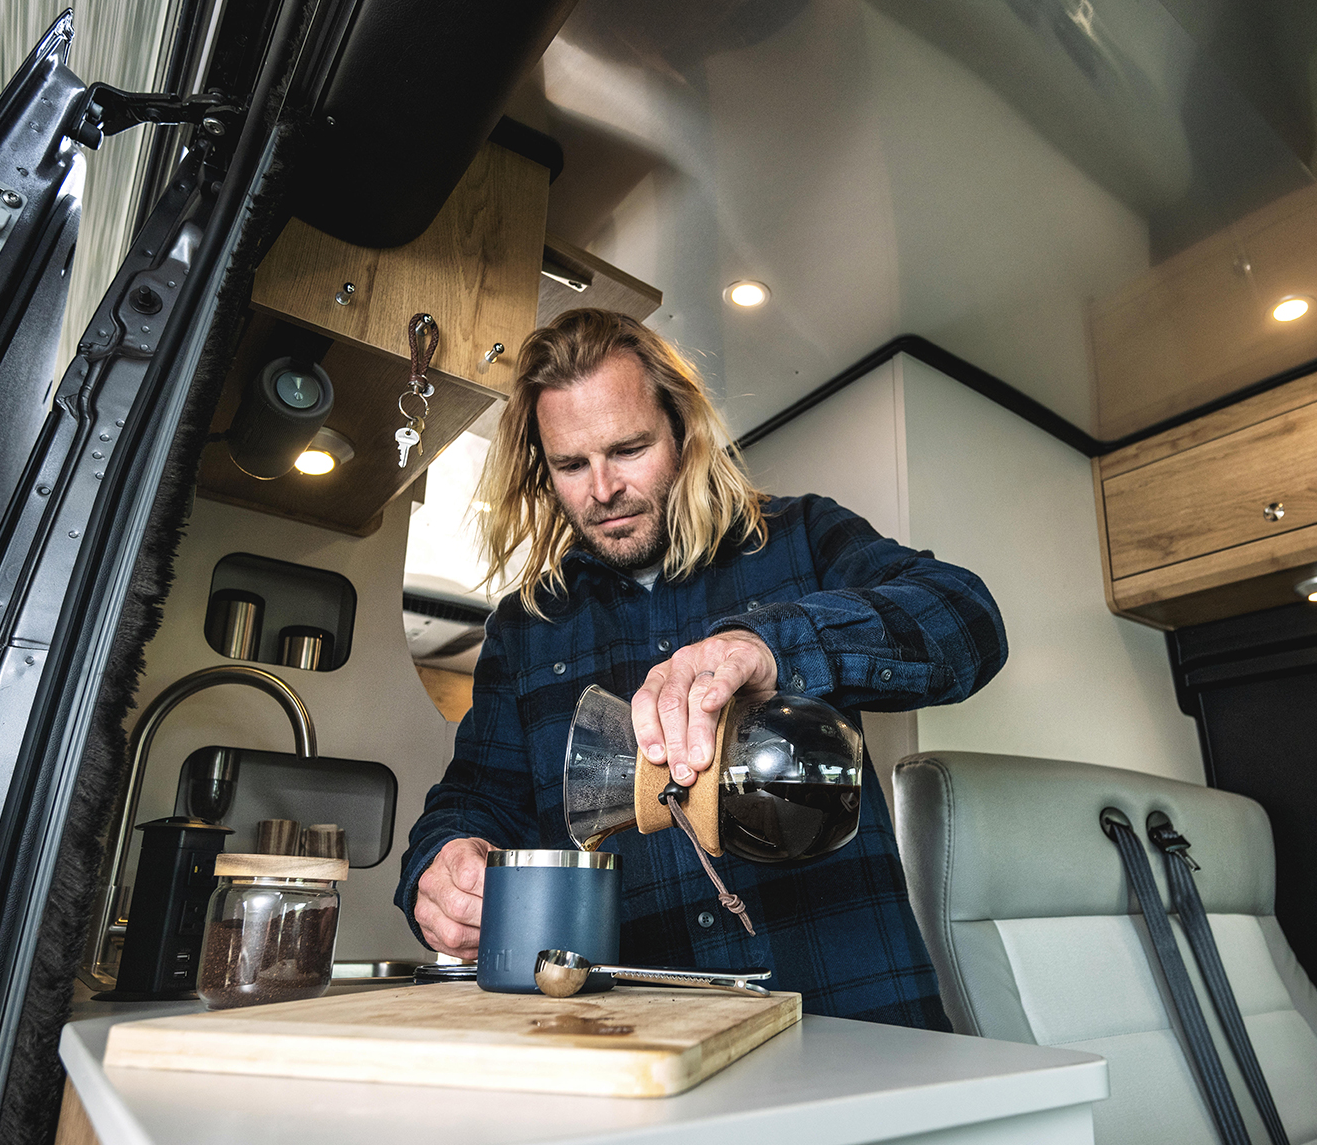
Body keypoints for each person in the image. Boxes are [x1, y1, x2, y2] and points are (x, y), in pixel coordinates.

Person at [396, 308, 1005, 1028]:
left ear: (681, 433)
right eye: (571, 465)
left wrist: (771, 647)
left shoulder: (800, 539)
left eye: (629, 449)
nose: (602, 490)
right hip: (638, 1040)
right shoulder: (526, 629)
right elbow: (475, 799)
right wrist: (440, 864)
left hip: (857, 1013)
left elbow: (968, 619)